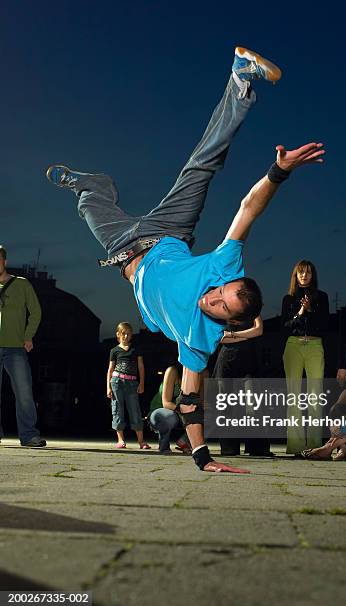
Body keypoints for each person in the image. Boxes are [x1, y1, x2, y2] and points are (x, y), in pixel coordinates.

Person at [46, 47, 325, 472]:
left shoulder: (199, 343)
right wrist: (278, 172)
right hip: (169, 229)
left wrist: (201, 458)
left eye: (220, 306)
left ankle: (92, 186)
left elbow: (191, 401)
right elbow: (248, 209)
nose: (210, 298)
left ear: (227, 322)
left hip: (124, 249)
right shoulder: (224, 268)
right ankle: (241, 80)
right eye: (218, 292)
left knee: (89, 203)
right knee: (202, 164)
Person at [281, 260, 329, 453]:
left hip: (315, 345)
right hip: (294, 345)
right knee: (293, 395)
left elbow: (325, 325)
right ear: (296, 275)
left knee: (315, 395)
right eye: (301, 272)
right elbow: (285, 327)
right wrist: (300, 312)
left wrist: (310, 310)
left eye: (308, 272)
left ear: (313, 275)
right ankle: (296, 445)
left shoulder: (322, 297)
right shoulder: (289, 298)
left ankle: (315, 445)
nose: (304, 276)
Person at [0, 245, 46, 447]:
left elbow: (35, 312)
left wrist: (28, 336)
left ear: (5, 262)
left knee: (24, 392)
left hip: (15, 347)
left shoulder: (21, 284)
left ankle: (28, 435)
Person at [213, 316, 272, 456]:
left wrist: (233, 335)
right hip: (227, 362)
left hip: (249, 363)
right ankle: (229, 449)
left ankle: (257, 448)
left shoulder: (251, 308)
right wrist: (247, 335)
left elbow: (258, 330)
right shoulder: (223, 311)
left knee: (253, 407)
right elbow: (220, 338)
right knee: (226, 408)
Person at [107, 322, 150, 449]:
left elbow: (141, 367)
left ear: (131, 335)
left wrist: (141, 383)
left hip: (132, 384)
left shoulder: (136, 350)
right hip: (116, 382)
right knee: (117, 410)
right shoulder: (114, 350)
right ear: (118, 335)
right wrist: (108, 387)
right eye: (123, 334)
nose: (125, 336)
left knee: (135, 410)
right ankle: (121, 440)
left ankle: (141, 441)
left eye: (128, 334)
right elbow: (110, 369)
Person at [148, 363, 192, 454]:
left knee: (212, 417)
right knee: (168, 417)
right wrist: (185, 410)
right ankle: (164, 446)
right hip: (163, 411)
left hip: (186, 412)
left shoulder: (201, 372)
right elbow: (166, 403)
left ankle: (185, 441)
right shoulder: (172, 371)